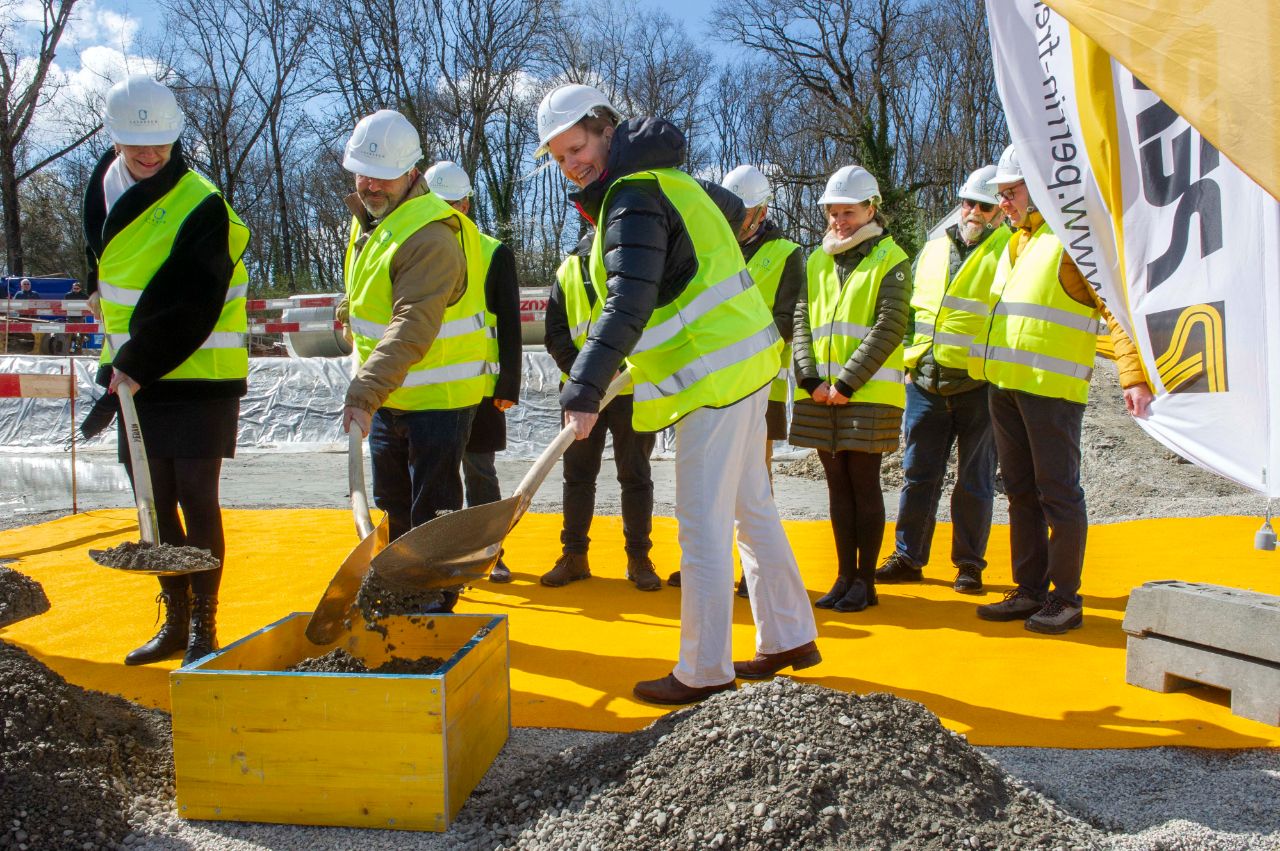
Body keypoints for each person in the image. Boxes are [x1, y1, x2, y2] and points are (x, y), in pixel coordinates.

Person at [535, 83, 819, 704]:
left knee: (703, 528)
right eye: (558, 157)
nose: (571, 163)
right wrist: (614, 378)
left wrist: (584, 385)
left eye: (577, 146)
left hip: (712, 383)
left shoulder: (632, 197)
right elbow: (679, 289)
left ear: (606, 128)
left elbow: (630, 299)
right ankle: (789, 636)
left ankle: (702, 670)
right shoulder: (669, 180)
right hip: (742, 371)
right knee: (753, 511)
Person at [82, 75, 249, 665]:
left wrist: (137, 365)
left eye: (160, 145)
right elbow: (107, 261)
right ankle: (174, 618)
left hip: (197, 372)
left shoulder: (201, 202)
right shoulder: (101, 184)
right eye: (137, 147)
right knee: (154, 499)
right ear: (115, 138)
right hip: (133, 373)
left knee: (197, 496)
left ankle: (205, 626)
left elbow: (192, 301)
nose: (150, 156)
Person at [971, 144, 1154, 635]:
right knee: (1021, 493)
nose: (1003, 202)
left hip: (1051, 391)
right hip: (1006, 387)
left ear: (1041, 189)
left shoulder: (1077, 240)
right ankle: (1028, 589)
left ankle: (1066, 599)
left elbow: (1116, 309)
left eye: (1011, 192)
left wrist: (1133, 375)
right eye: (1002, 194)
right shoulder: (1019, 242)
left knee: (1059, 495)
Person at [336, 111, 488, 612]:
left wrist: (363, 391)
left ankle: (436, 604)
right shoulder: (372, 223)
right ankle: (400, 593)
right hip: (391, 396)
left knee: (434, 513)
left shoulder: (430, 235)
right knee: (393, 505)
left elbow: (412, 323)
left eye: (383, 175)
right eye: (363, 173)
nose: (371, 184)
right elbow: (373, 296)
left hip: (438, 400)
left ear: (412, 173)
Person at [666, 164, 804, 596]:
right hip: (705, 385)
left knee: (752, 486)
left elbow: (786, 319)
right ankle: (707, 567)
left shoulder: (786, 254)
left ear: (759, 212)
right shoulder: (708, 244)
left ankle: (753, 573)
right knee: (706, 485)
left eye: (738, 213)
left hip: (756, 386)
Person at [875, 165, 1010, 594]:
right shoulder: (933, 249)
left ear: (1000, 211)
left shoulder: (1010, 251)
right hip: (927, 383)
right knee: (918, 475)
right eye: (967, 202)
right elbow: (915, 312)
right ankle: (908, 555)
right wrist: (912, 365)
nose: (972, 211)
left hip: (979, 385)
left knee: (974, 481)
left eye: (983, 205)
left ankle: (969, 564)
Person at [791, 166, 911, 614]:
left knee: (864, 485)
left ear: (870, 209)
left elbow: (889, 326)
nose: (839, 221)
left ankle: (865, 581)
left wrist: (845, 383)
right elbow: (803, 318)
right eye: (833, 213)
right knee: (836, 487)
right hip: (820, 393)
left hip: (867, 394)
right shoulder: (818, 258)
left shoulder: (891, 258)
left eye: (848, 212)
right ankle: (843, 575)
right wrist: (808, 378)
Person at [542, 227, 660, 591]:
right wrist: (586, 377)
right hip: (580, 393)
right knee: (577, 475)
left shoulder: (640, 264)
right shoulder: (568, 271)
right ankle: (574, 556)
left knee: (635, 475)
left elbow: (653, 323)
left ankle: (638, 557)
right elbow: (556, 334)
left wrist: (614, 371)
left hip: (630, 388)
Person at [423, 160, 522, 583]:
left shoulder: (492, 251)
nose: (448, 212)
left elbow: (510, 325)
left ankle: (489, 552)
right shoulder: (413, 247)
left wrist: (508, 383)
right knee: (433, 476)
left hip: (479, 389)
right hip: (426, 389)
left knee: (479, 471)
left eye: (453, 204)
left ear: (466, 203)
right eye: (438, 204)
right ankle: (440, 556)